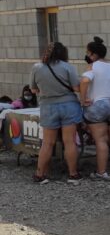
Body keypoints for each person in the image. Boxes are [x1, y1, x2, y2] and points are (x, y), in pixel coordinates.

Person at [29, 41, 83, 184]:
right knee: (69, 141)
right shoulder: (68, 67)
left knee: (47, 143)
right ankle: (73, 174)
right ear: (63, 53)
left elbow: (33, 90)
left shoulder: (37, 67)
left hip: (47, 106)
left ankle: (40, 174)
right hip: (69, 106)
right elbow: (76, 88)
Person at [80, 36, 110, 181]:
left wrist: (83, 99)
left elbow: (85, 81)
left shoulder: (93, 66)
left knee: (101, 140)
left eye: (87, 53)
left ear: (93, 54)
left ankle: (102, 172)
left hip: (97, 106)